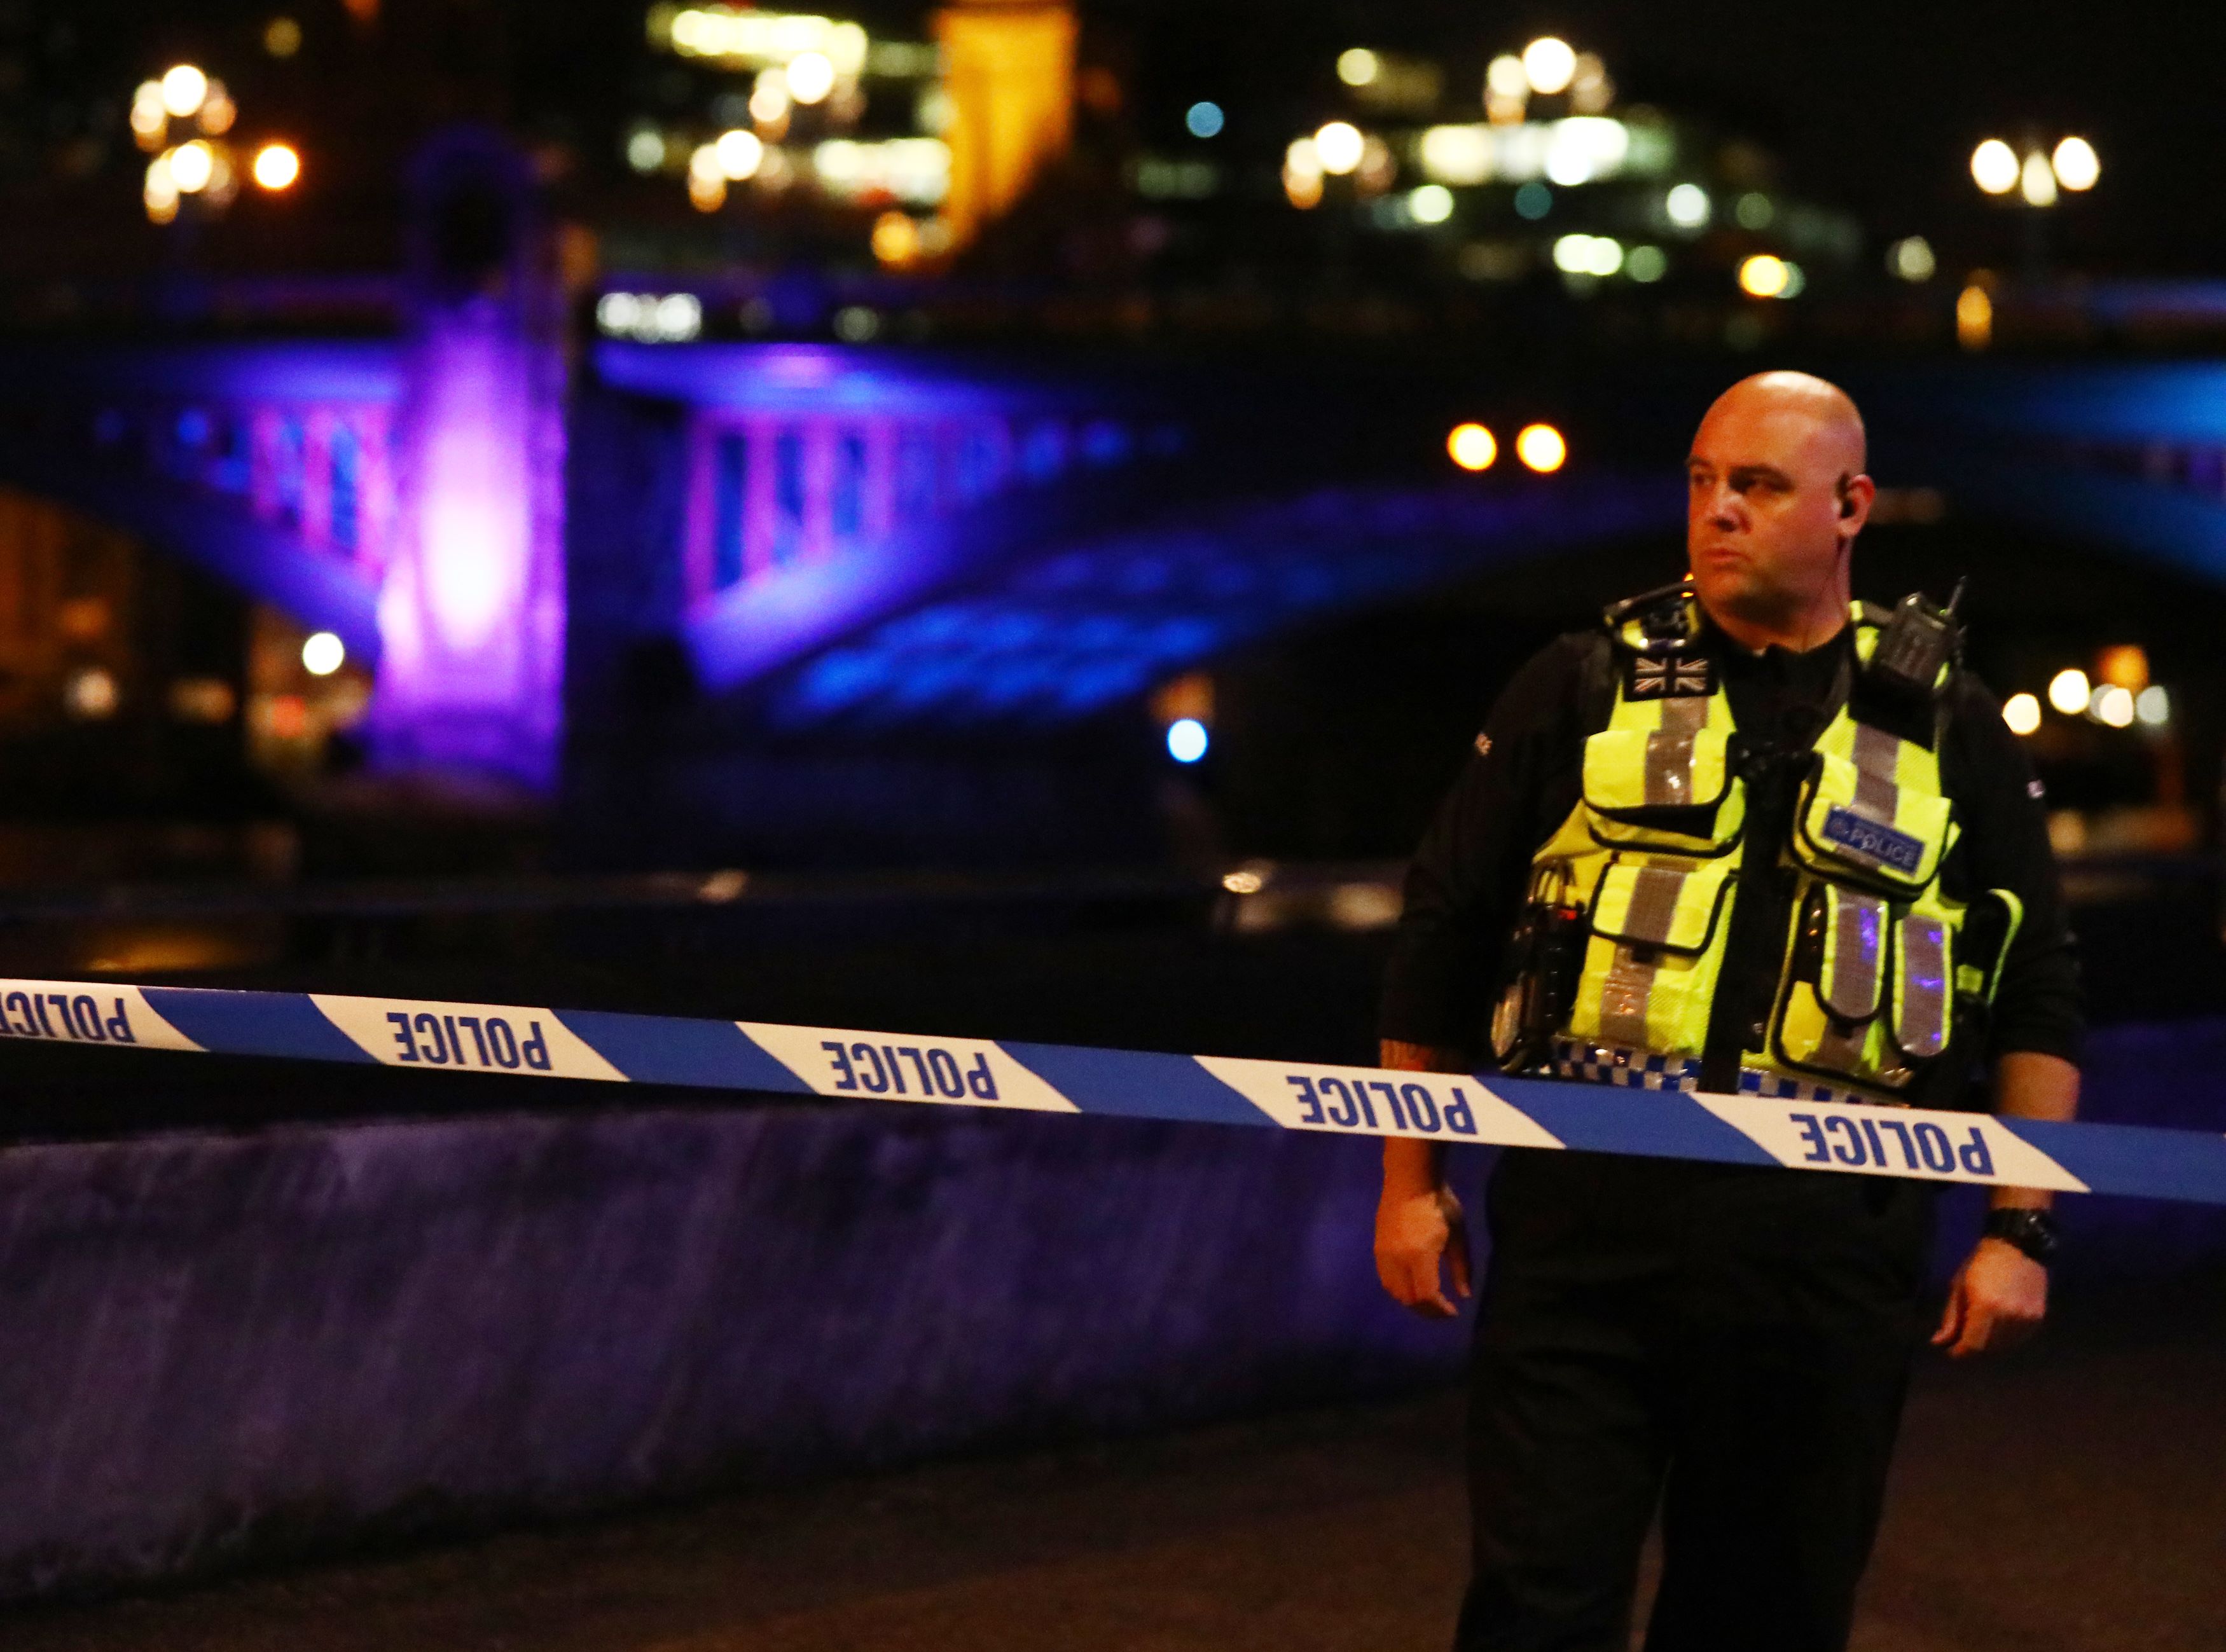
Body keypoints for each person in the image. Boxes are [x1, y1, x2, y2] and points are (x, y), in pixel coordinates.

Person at [1372, 372, 2081, 1652]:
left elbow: (2036, 984)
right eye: (1702, 482)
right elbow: (1444, 925)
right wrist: (1406, 1183)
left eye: (1756, 486)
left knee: (1766, 1618)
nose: (1717, 512)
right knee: (1536, 1609)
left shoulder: (1947, 727)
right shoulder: (1579, 682)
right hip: (1584, 1221)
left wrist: (2018, 1230)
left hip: (1824, 1251)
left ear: (1851, 505)